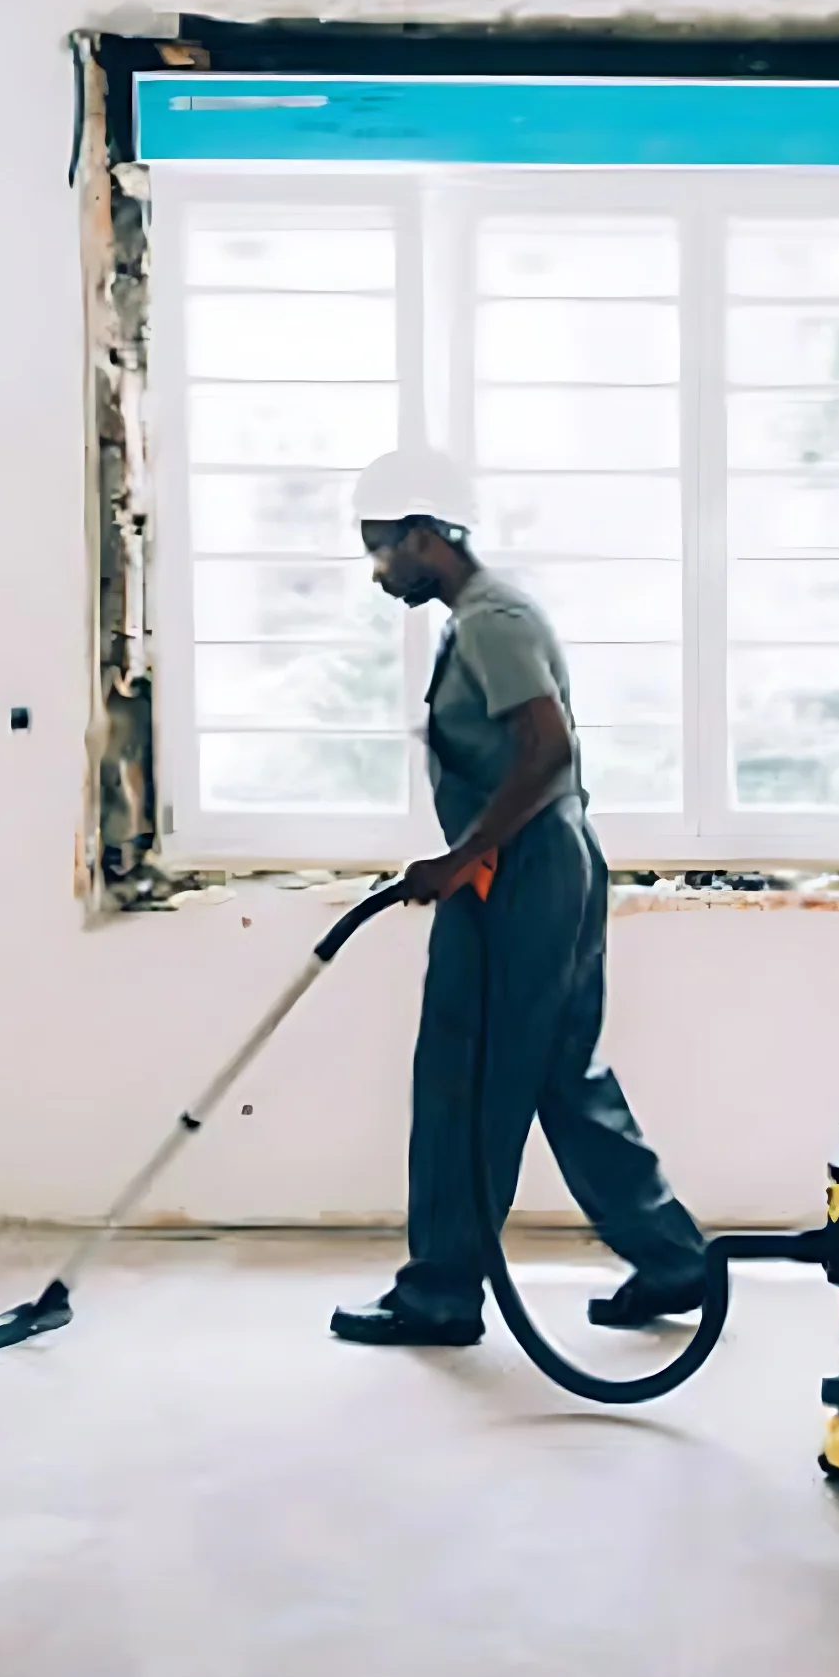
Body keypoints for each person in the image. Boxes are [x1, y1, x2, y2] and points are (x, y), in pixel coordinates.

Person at [328, 449, 712, 1348]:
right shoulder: (483, 617)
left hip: (521, 873)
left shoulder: (493, 619)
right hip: (537, 865)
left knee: (468, 1077)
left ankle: (442, 1292)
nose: (380, 572)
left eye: (384, 550)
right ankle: (671, 1256)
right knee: (554, 1072)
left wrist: (464, 858)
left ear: (428, 536)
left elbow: (546, 750)